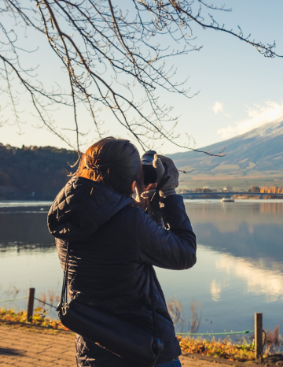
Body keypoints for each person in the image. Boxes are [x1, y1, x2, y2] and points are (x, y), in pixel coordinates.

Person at [47, 137, 197, 367]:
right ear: (132, 184)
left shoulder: (66, 215)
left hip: (94, 351)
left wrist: (141, 210)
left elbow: (115, 246)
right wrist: (169, 194)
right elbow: (185, 253)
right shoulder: (130, 223)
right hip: (144, 351)